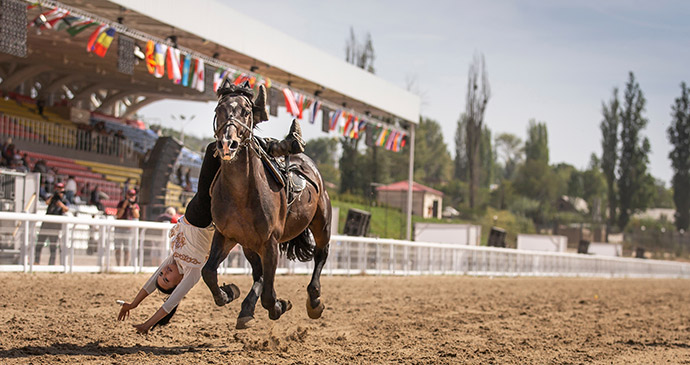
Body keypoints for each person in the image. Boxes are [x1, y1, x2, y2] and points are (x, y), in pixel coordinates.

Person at [118, 83, 304, 334]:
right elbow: (169, 304)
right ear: (178, 282)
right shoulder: (192, 273)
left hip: (195, 206)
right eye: (167, 278)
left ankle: (266, 136)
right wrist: (147, 324)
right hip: (208, 214)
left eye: (162, 273)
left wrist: (133, 303)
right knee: (215, 148)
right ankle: (278, 144)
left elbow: (150, 284)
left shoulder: (173, 260)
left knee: (226, 147)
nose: (164, 272)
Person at [34, 182, 69, 265]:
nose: (59, 191)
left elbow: (66, 209)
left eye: (60, 189)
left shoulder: (64, 200)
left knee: (53, 246)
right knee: (39, 244)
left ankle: (51, 264)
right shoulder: (52, 197)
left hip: (55, 226)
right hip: (46, 224)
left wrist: (60, 204)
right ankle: (36, 261)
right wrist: (53, 197)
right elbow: (47, 202)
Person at [114, 189, 140, 266]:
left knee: (127, 249)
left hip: (129, 230)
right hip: (120, 228)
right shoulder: (121, 203)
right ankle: (118, 265)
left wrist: (133, 207)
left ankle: (126, 266)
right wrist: (124, 206)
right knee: (118, 248)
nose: (131, 197)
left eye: (133, 195)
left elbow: (137, 215)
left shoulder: (135, 205)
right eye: (130, 195)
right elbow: (118, 215)